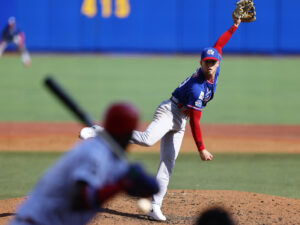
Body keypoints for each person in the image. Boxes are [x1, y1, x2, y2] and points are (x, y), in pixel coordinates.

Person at [129, 17, 242, 221]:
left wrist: (235, 25)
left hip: (180, 119)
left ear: (217, 62)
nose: (210, 65)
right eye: (207, 62)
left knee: (168, 163)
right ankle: (104, 132)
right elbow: (195, 121)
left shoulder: (215, 68)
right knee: (147, 139)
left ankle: (155, 207)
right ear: (201, 63)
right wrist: (201, 148)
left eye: (213, 62)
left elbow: (219, 44)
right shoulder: (197, 88)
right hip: (169, 111)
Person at [10, 102, 159, 225]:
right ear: (128, 134)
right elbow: (78, 200)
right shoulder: (94, 153)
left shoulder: (114, 159)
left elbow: (147, 188)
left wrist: (142, 182)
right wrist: (121, 184)